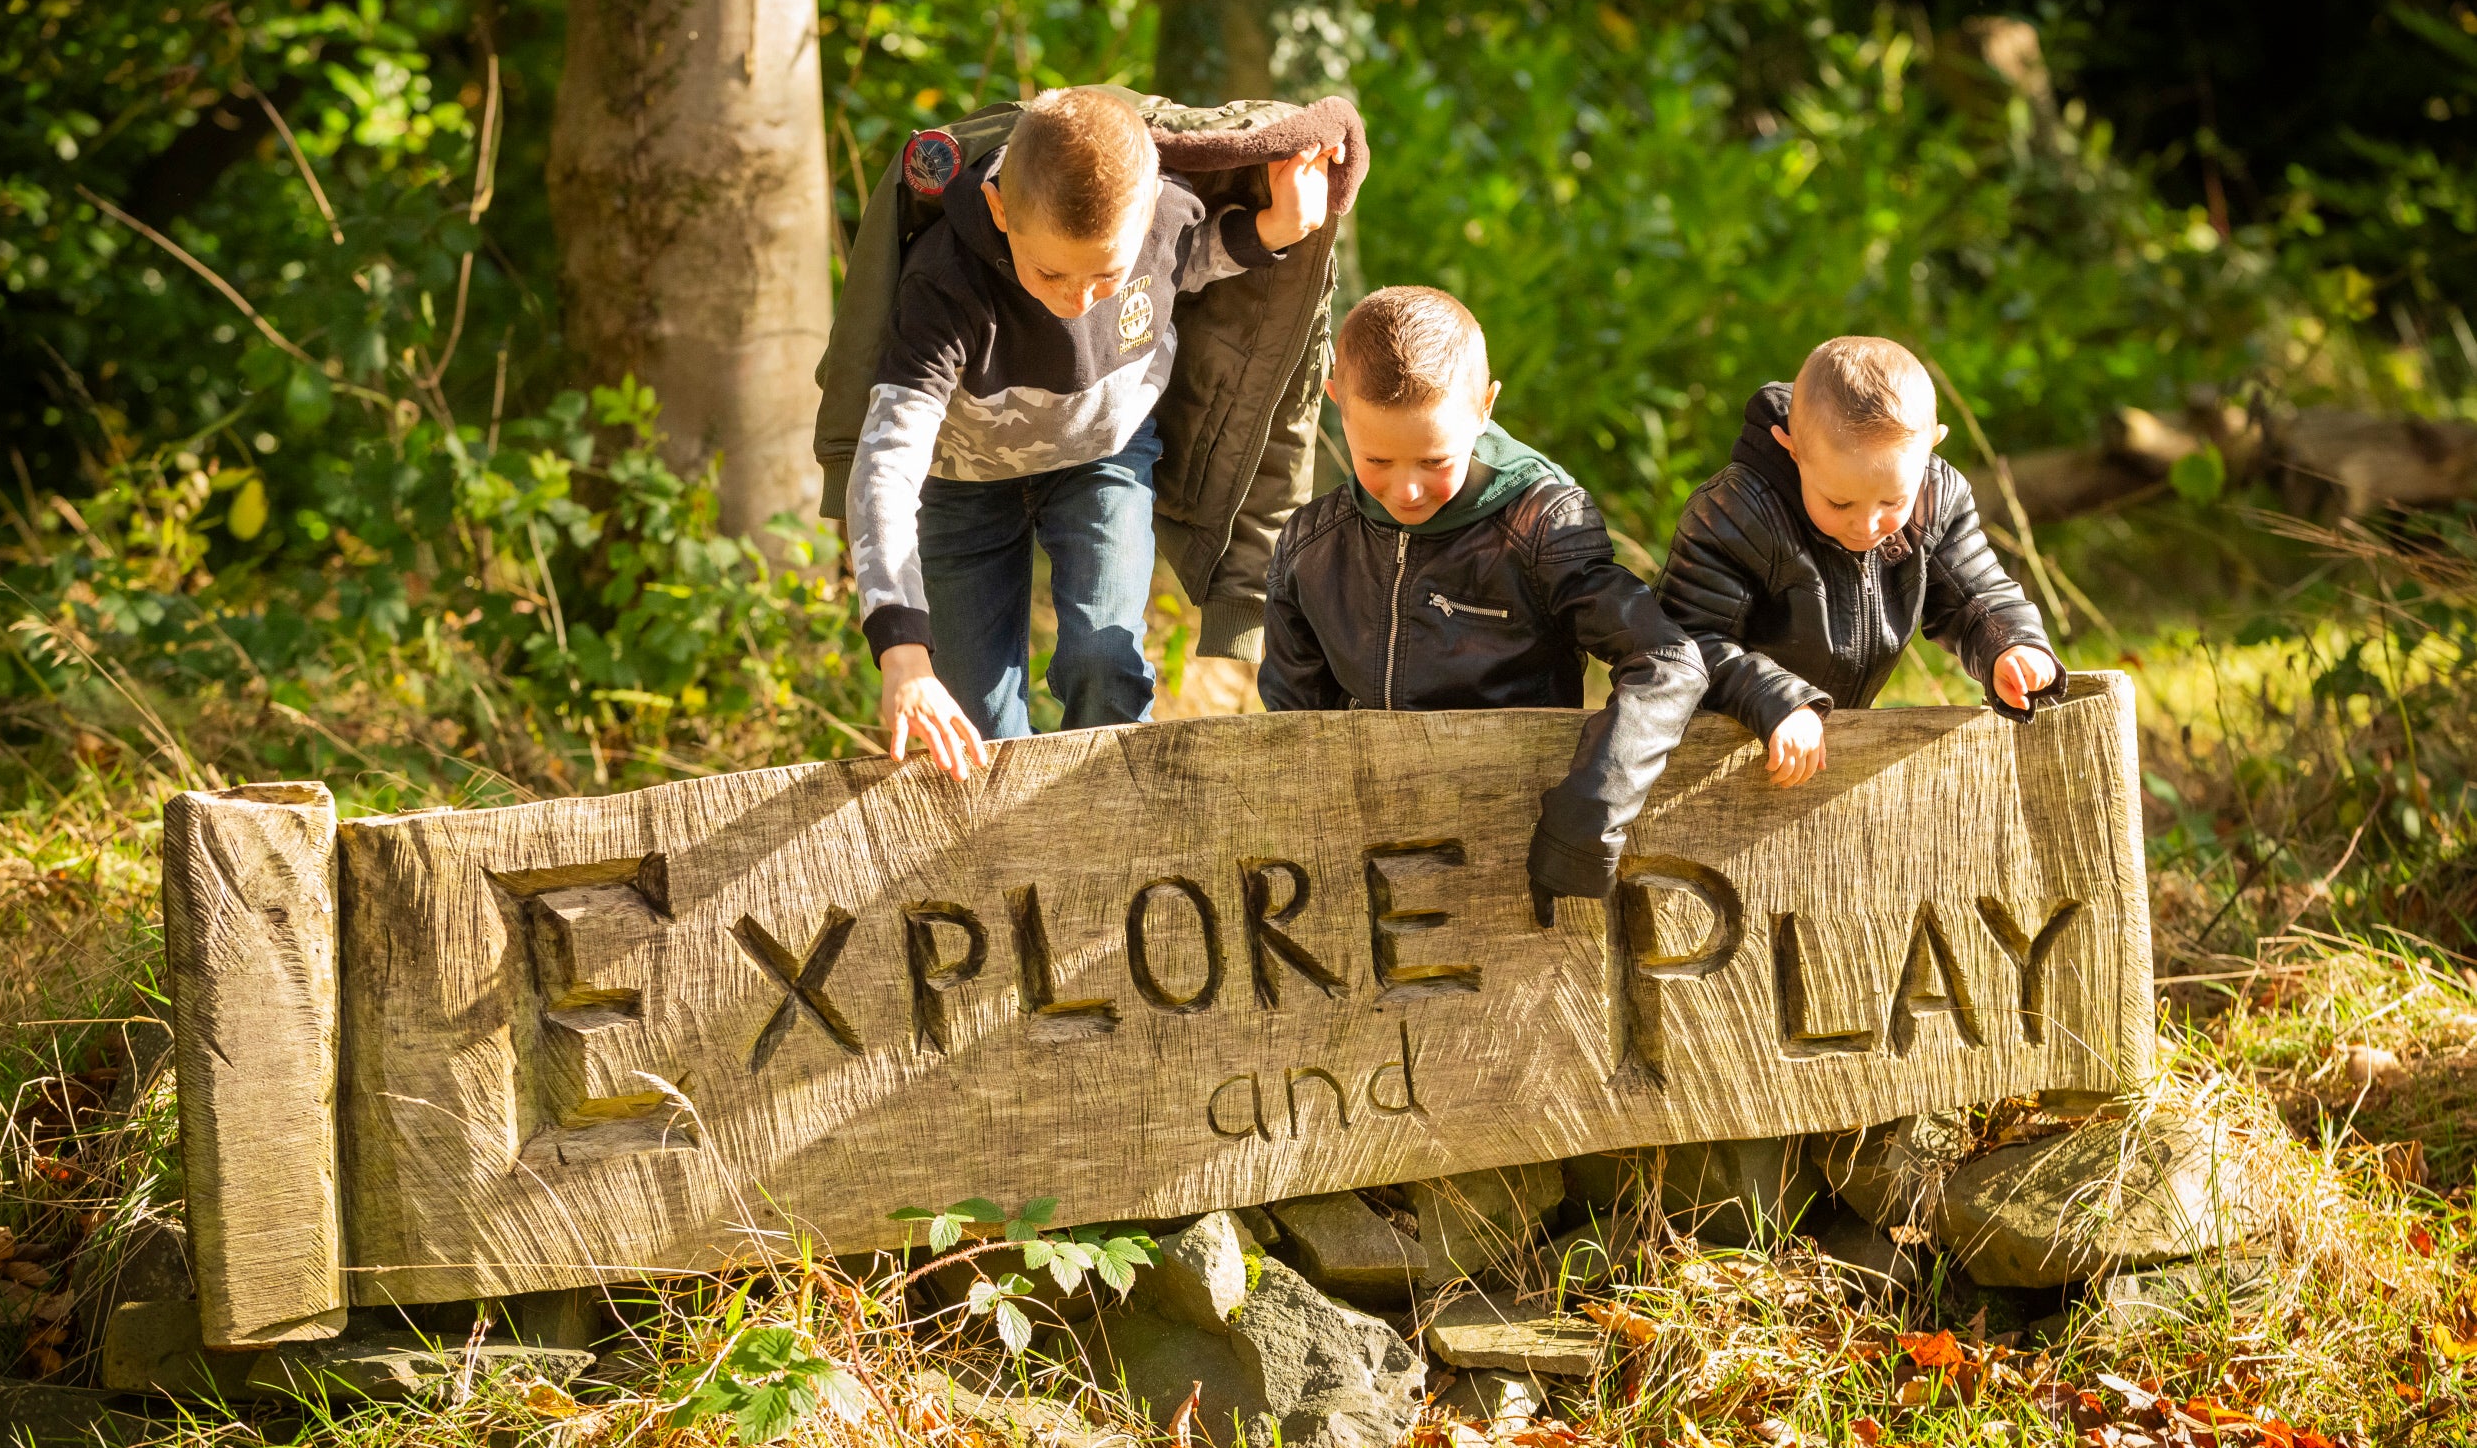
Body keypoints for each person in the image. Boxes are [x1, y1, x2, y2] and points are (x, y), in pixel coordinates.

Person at [847, 87, 1342, 777]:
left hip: (1104, 458)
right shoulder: (944, 283)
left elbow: (1191, 260)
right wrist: (902, 652)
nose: (1076, 301)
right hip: (962, 485)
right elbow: (886, 463)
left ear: (1149, 216)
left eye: (1105, 275)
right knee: (978, 730)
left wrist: (1278, 230)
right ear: (999, 211)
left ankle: (1115, 823)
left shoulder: (1163, 217)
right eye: (1049, 271)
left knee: (1103, 663)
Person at [1260, 286, 1708, 918]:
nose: (1407, 488)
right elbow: (1297, 723)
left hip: (1524, 841)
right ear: (1336, 401)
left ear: (1485, 406)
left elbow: (1667, 660)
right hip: (1378, 860)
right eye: (1376, 458)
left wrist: (1588, 811)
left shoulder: (1542, 525)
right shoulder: (1312, 545)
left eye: (1435, 459)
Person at [1656, 336, 2065, 789]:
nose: (1868, 525)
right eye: (1839, 502)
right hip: (1717, 750)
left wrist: (2009, 644)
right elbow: (1685, 641)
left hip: (1830, 746)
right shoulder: (1737, 516)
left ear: (1931, 447)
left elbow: (1975, 596)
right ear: (1793, 450)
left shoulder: (1936, 500)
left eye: (1892, 500)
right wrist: (1774, 699)